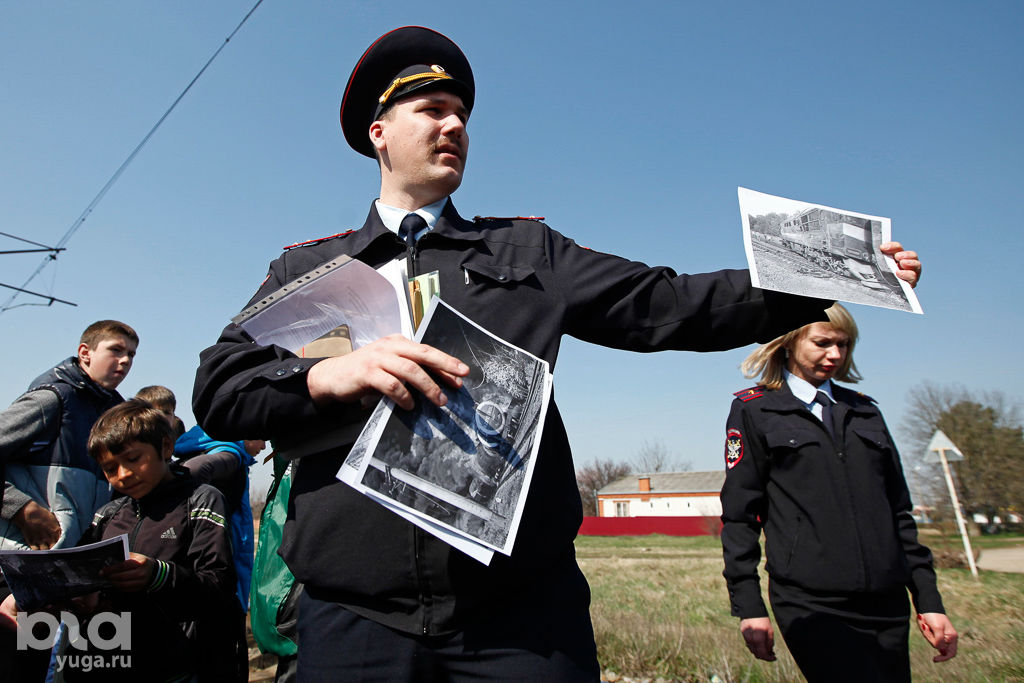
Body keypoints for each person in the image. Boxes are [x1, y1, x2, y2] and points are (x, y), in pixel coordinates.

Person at [192, 27, 922, 681]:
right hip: (354, 623)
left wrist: (825, 274)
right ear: (379, 132)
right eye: (432, 110)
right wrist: (329, 374)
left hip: (520, 623)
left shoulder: (529, 250)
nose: (455, 125)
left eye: (463, 116)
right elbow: (221, 387)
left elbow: (672, 303)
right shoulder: (307, 272)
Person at [719, 304, 956, 682]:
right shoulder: (756, 410)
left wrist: (929, 600)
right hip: (811, 603)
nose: (835, 355)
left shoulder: (865, 412)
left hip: (887, 601)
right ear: (789, 343)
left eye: (843, 345)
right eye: (822, 342)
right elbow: (740, 517)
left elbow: (899, 513)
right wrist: (749, 606)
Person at [63, 399, 237, 682]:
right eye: (110, 468)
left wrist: (158, 574)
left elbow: (219, 586)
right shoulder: (107, 516)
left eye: (133, 459)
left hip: (178, 665)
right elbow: (80, 573)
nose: (123, 475)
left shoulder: (200, 500)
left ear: (166, 448)